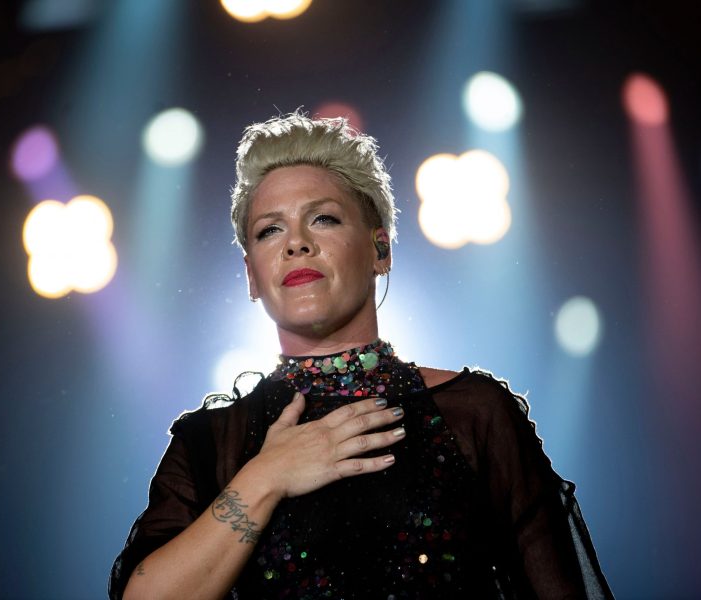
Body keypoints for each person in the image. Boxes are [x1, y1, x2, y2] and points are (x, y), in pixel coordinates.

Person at [109, 112, 614, 599]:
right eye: (270, 230)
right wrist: (266, 477)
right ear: (251, 276)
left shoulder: (475, 413)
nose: (297, 244)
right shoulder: (210, 441)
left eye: (323, 219)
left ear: (380, 250)